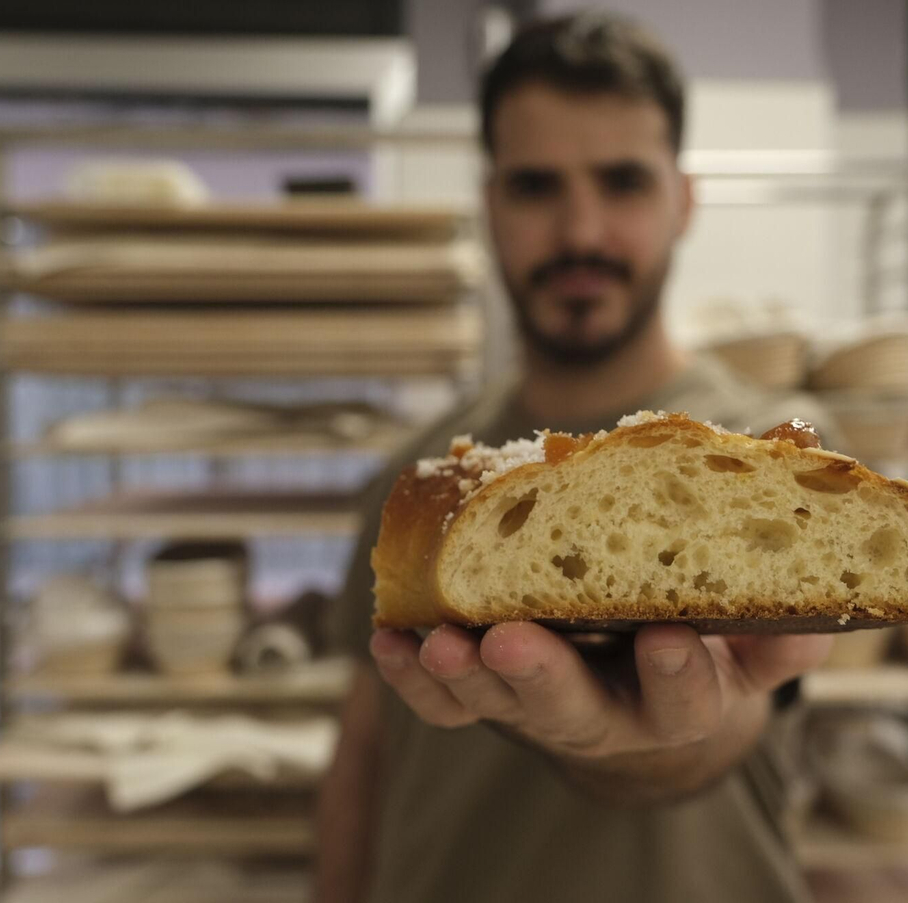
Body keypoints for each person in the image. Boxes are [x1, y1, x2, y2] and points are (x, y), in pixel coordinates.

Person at [314, 13, 834, 903]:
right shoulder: (423, 485)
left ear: (683, 201)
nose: (581, 231)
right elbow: (365, 750)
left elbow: (729, 720)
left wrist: (620, 737)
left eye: (623, 182)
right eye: (536, 186)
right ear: (490, 205)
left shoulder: (775, 468)